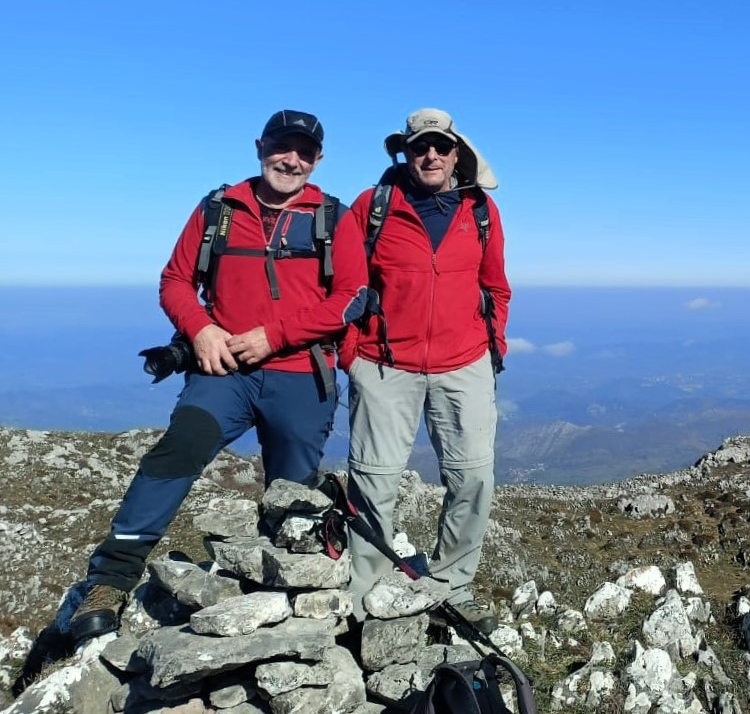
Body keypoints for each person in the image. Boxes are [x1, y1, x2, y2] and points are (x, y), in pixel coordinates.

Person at [69, 110, 368, 643]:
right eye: (281, 145)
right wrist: (201, 329)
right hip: (223, 370)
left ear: (317, 160)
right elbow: (176, 280)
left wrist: (273, 337)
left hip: (301, 373)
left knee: (289, 494)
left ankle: (282, 591)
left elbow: (351, 297)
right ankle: (110, 581)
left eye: (304, 151)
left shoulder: (332, 217)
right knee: (176, 452)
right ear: (260, 146)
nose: (291, 159)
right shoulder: (218, 210)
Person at [341, 108, 510, 633]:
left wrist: (492, 345)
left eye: (440, 146)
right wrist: (353, 356)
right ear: (405, 153)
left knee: (473, 477)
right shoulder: (373, 207)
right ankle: (362, 597)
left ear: (456, 153)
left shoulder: (479, 210)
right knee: (373, 481)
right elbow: (346, 289)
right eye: (420, 148)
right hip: (385, 365)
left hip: (464, 366)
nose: (430, 155)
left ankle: (450, 586)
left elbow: (496, 285)